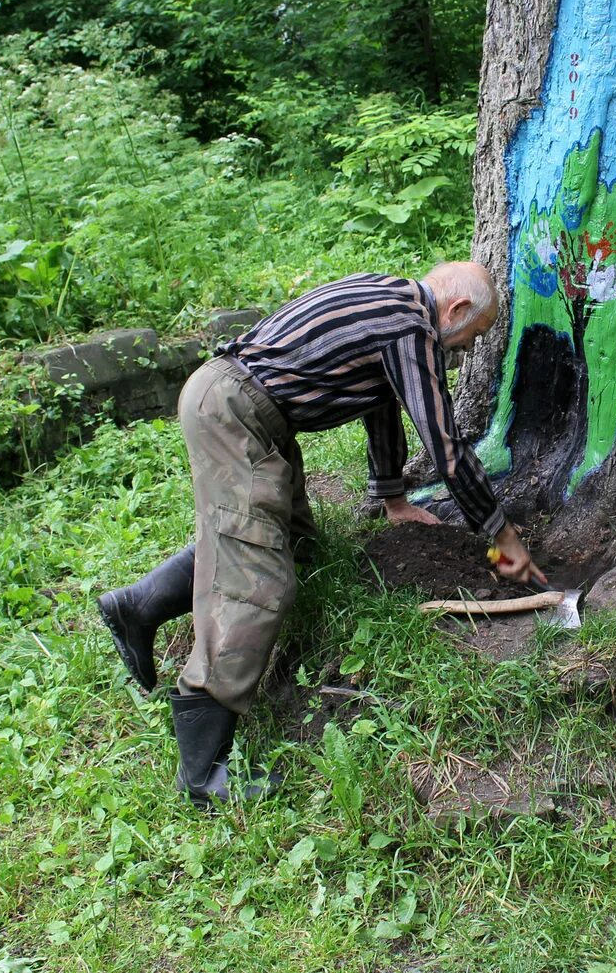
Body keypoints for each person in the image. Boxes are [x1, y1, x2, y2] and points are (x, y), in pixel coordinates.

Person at [98, 261, 545, 807]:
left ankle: (137, 607)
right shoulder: (411, 326)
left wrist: (394, 499)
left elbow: (382, 402)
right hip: (235, 411)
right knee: (258, 580)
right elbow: (445, 447)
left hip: (246, 409)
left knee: (286, 540)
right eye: (472, 337)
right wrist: (504, 538)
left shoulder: (393, 301)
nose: (467, 351)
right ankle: (202, 770)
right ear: (454, 311)